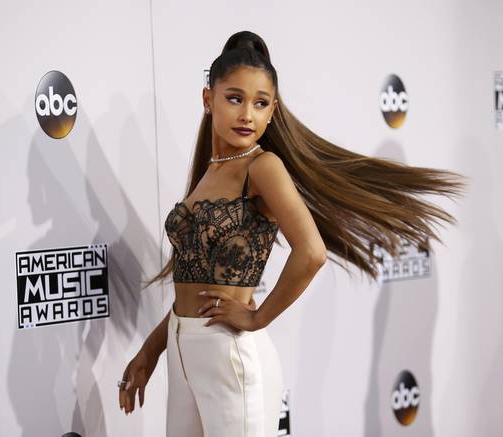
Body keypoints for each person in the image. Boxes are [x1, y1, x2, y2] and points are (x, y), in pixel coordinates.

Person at [118, 30, 466, 436]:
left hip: (230, 356)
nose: (247, 114)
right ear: (208, 99)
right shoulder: (208, 172)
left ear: (272, 111)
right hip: (182, 352)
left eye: (260, 103)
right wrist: (150, 349)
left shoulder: (263, 168)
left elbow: (312, 251)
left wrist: (256, 317)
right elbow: (192, 286)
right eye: (235, 98)